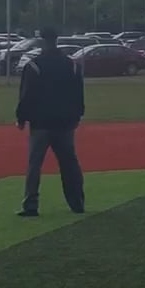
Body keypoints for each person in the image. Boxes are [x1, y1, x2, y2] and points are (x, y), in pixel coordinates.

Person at [14, 27, 86, 217]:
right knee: (69, 163)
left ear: (41, 41)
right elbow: (78, 93)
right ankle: (77, 203)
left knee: (35, 165)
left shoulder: (34, 65)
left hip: (41, 123)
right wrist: (78, 115)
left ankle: (31, 205)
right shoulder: (71, 64)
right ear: (56, 40)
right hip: (65, 122)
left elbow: (26, 95)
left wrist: (21, 117)